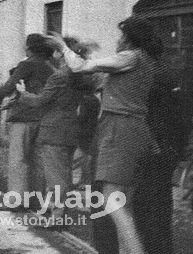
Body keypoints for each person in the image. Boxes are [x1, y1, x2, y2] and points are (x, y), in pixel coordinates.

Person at [50, 16, 161, 254]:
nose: (119, 40)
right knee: (122, 202)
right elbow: (93, 78)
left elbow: (79, 68)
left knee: (112, 199)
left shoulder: (131, 57)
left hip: (119, 129)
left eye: (122, 36)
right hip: (135, 130)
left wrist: (62, 47)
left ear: (130, 38)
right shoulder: (146, 62)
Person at [7, 37, 98, 225]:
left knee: (56, 177)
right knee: (63, 174)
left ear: (60, 53)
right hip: (71, 128)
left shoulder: (59, 76)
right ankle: (54, 210)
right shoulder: (81, 77)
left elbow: (39, 101)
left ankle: (57, 217)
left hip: (53, 129)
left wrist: (22, 93)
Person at [0, 33, 56, 210]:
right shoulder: (51, 67)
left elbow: (9, 87)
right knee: (38, 160)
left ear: (29, 48)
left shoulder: (27, 64)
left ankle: (17, 201)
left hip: (24, 115)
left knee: (18, 159)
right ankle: (38, 200)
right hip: (44, 116)